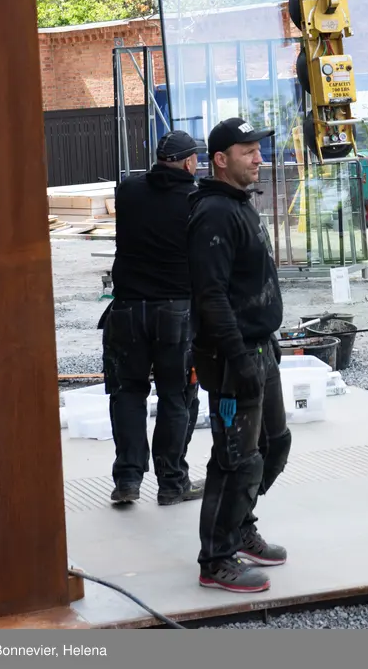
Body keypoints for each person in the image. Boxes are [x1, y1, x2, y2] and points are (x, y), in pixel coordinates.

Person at [188, 116, 291, 594]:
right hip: (232, 360)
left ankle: (241, 524)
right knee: (236, 459)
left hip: (258, 347)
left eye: (258, 148)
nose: (258, 158)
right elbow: (211, 296)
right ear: (220, 159)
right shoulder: (214, 213)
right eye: (247, 150)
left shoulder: (239, 204)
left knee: (274, 445)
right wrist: (239, 358)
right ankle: (217, 558)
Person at [102, 129, 203, 506]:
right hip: (175, 311)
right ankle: (172, 482)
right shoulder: (195, 198)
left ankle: (127, 480)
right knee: (176, 396)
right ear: (191, 161)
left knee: (127, 393)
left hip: (126, 309)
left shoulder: (128, 191)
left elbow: (146, 187)